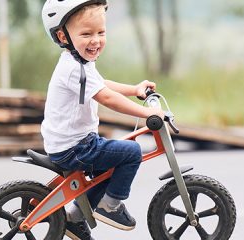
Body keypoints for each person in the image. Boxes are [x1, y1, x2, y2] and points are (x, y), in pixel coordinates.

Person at [40, 0, 163, 239]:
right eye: (86, 34)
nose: (95, 40)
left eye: (101, 32)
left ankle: (74, 219)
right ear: (63, 37)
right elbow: (107, 98)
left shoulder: (79, 63)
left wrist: (135, 89)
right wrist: (148, 114)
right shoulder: (74, 68)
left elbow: (102, 84)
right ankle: (110, 206)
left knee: (109, 165)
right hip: (74, 148)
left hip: (74, 143)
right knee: (131, 152)